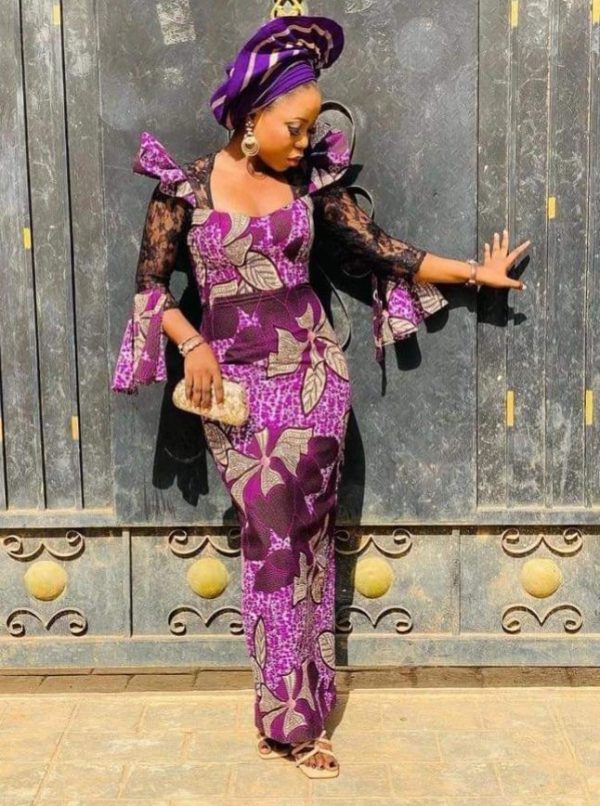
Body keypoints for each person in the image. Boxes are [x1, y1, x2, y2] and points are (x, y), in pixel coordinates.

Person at [111, 14, 530, 779]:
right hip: (235, 390)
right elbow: (149, 288)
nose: (306, 142)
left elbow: (381, 248)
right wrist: (192, 343)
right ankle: (290, 717)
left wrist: (478, 273)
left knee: (305, 543)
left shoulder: (312, 186)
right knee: (271, 544)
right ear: (250, 117)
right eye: (295, 127)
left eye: (311, 128)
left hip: (314, 380)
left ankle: (300, 709)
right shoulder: (182, 190)